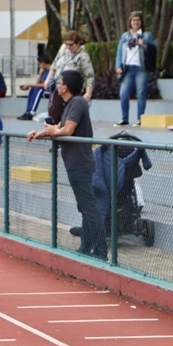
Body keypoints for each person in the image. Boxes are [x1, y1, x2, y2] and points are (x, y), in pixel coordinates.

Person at [27, 70, 106, 260]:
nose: (57, 85)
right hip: (74, 164)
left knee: (89, 208)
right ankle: (86, 248)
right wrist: (38, 133)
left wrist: (55, 130)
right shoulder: (70, 104)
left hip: (80, 163)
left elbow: (66, 130)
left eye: (60, 82)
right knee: (85, 208)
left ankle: (101, 252)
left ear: (66, 86)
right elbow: (59, 128)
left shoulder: (78, 102)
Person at [114, 12, 157, 127]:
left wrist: (144, 45)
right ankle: (124, 118)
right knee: (123, 94)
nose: (136, 22)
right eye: (133, 20)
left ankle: (139, 118)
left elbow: (154, 51)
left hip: (141, 68)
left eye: (138, 20)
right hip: (127, 68)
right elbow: (119, 52)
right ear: (130, 22)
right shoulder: (125, 36)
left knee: (141, 93)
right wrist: (118, 66)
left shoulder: (146, 35)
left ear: (141, 22)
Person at [47, 31, 95, 125]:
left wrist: (88, 94)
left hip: (71, 90)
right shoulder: (63, 49)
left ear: (78, 43)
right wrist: (48, 79)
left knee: (69, 117)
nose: (68, 47)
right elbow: (54, 64)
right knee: (54, 113)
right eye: (67, 44)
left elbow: (89, 76)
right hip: (59, 87)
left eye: (71, 45)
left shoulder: (83, 57)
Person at [18, 55, 52, 120]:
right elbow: (37, 84)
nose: (39, 66)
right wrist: (40, 74)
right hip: (46, 90)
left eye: (39, 64)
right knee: (33, 88)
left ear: (43, 63)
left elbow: (45, 85)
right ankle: (28, 111)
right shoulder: (45, 71)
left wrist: (29, 85)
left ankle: (32, 112)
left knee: (39, 90)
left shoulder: (52, 71)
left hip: (53, 92)